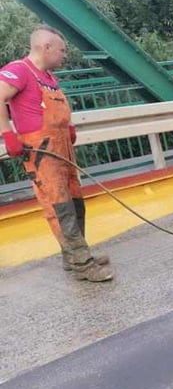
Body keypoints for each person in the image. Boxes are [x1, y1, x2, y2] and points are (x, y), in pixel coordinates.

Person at [0, 25, 113, 282]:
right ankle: (83, 265)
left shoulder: (48, 77)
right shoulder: (20, 70)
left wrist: (69, 127)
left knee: (74, 203)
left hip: (62, 149)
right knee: (59, 206)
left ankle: (73, 256)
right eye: (61, 50)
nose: (64, 55)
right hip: (41, 151)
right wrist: (8, 135)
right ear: (45, 47)